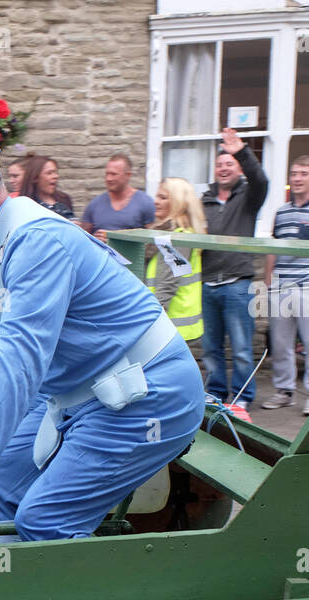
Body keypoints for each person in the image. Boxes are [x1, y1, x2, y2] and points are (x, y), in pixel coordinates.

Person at [0, 133, 205, 541]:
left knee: (45, 520)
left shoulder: (34, 241)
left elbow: (17, 366)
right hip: (87, 396)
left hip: (147, 395)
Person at [261, 155, 309, 417]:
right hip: (282, 284)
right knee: (281, 342)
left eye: (303, 173)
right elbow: (274, 246)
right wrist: (268, 277)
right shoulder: (282, 211)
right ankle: (284, 391)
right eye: (294, 173)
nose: (297, 178)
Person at [200, 128, 269, 414]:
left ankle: (241, 395)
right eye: (219, 164)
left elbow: (261, 179)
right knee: (211, 348)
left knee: (241, 348)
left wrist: (241, 150)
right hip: (208, 283)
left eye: (229, 163)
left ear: (239, 168)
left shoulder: (249, 196)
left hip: (237, 283)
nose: (223, 168)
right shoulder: (203, 201)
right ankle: (215, 391)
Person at [144, 177, 205, 345]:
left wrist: (151, 323)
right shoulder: (169, 232)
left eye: (163, 198)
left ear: (177, 202)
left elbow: (168, 284)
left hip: (172, 324)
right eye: (157, 196)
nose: (155, 202)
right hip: (172, 323)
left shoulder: (178, 236)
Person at [81, 153, 154, 239]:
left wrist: (115, 238)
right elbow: (82, 239)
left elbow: (153, 243)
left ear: (128, 175)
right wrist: (95, 239)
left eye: (114, 174)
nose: (109, 179)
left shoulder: (145, 203)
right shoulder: (94, 205)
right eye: (107, 174)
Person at [20, 155, 76, 220]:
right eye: (49, 173)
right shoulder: (25, 205)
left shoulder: (64, 199)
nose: (55, 176)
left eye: (56, 172)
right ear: (35, 178)